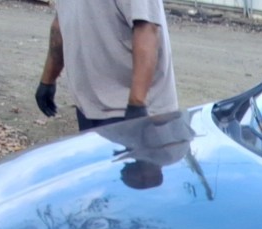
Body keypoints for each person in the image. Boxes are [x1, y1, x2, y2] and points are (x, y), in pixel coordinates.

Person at [34, 0, 180, 132]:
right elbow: (61, 22)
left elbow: (147, 30)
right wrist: (47, 80)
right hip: (90, 107)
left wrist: (137, 103)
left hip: (131, 110)